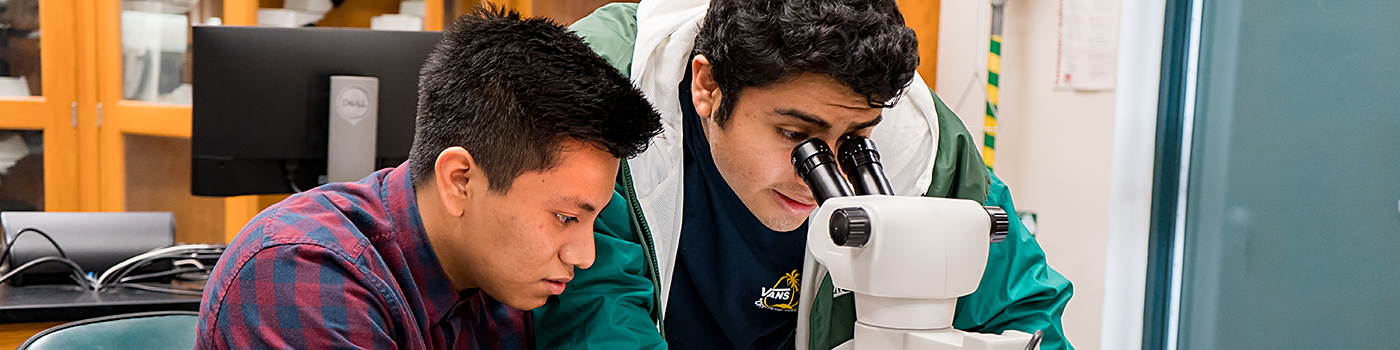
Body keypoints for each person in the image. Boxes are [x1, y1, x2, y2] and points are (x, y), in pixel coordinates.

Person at [531, 0, 1076, 349]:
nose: (820, 175)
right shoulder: (601, 92)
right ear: (708, 86)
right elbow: (593, 317)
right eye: (796, 136)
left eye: (856, 141)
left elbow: (1024, 312)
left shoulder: (921, 141)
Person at [193, 8, 662, 350]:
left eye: (592, 220)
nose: (584, 256)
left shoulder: (499, 284)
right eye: (564, 218)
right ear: (459, 180)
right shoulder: (301, 276)